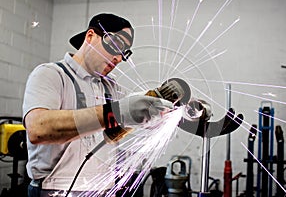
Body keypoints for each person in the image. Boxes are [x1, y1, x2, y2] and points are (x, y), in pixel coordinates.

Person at [22, 13, 173, 197]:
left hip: (105, 189)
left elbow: (136, 110)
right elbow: (38, 129)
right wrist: (117, 112)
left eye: (123, 53)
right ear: (90, 36)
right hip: (56, 190)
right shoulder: (51, 74)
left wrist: (174, 105)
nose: (118, 58)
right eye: (115, 45)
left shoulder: (110, 86)